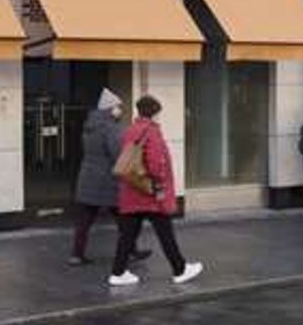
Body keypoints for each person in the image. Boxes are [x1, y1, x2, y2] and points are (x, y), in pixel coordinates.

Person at [107, 95, 203, 287]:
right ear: (155, 112)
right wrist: (159, 184)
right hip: (150, 193)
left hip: (131, 190)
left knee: (127, 235)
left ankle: (118, 273)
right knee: (165, 233)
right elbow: (156, 163)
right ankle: (180, 269)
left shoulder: (131, 130)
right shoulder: (151, 131)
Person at [70, 88, 150, 266]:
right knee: (124, 218)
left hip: (88, 178)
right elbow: (117, 153)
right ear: (109, 109)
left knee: (84, 221)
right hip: (107, 181)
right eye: (117, 107)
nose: (120, 110)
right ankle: (132, 251)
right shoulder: (111, 128)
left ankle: (76, 254)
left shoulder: (89, 126)